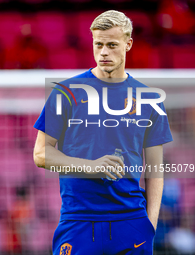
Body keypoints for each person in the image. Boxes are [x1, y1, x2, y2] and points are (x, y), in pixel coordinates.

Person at [33, 10, 173, 255]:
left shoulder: (149, 99)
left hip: (132, 221)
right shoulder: (66, 93)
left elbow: (155, 169)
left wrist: (149, 225)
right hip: (78, 220)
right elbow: (41, 154)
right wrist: (92, 166)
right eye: (98, 44)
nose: (104, 52)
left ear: (128, 44)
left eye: (112, 45)